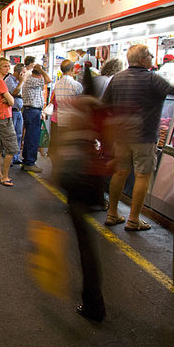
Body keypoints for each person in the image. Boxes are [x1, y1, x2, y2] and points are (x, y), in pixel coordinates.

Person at [103, 45, 174, 231]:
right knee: (142, 175)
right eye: (150, 55)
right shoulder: (152, 79)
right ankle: (133, 219)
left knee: (119, 173)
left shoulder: (117, 78)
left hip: (121, 136)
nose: (153, 57)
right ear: (143, 59)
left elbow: (105, 105)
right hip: (144, 136)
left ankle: (112, 214)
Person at [58, 66, 109, 322]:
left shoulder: (78, 106)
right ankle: (93, 302)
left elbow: (65, 140)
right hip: (94, 180)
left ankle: (94, 304)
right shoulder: (101, 109)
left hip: (77, 179)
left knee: (85, 243)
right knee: (87, 240)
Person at [49, 59, 83, 171]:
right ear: (72, 70)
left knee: (57, 145)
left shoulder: (57, 84)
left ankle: (57, 168)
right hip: (70, 120)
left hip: (57, 119)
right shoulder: (76, 85)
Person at [0, 58, 18, 186]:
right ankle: (5, 176)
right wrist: (8, 100)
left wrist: (7, 99)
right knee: (12, 148)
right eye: (5, 66)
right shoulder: (0, 82)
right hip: (4, 117)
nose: (8, 68)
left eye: (8, 66)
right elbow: (12, 101)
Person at [21, 64, 51, 172]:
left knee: (30, 137)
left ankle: (27, 161)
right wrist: (42, 70)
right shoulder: (32, 80)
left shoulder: (30, 80)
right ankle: (30, 162)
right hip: (32, 111)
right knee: (33, 138)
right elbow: (49, 79)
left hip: (32, 111)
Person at [4, 63, 25, 165]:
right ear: (18, 72)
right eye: (23, 73)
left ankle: (16, 156)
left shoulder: (17, 81)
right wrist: (21, 83)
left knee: (19, 135)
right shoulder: (9, 80)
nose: (24, 75)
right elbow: (14, 93)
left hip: (18, 111)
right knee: (11, 135)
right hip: (11, 111)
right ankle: (9, 157)